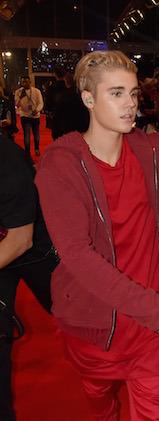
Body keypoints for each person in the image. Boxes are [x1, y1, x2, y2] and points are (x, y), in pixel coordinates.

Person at [34, 51, 159, 420]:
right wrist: (154, 311)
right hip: (95, 323)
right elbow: (77, 254)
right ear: (88, 98)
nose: (130, 105)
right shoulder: (61, 165)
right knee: (99, 400)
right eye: (117, 93)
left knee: (157, 411)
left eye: (134, 93)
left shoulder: (153, 150)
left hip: (152, 328)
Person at [0, 133, 56, 421]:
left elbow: (20, 240)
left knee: (79, 315)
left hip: (35, 249)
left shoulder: (7, 159)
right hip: (3, 254)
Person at [14, 76, 44, 159]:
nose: (25, 84)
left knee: (36, 134)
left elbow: (41, 103)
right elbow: (16, 105)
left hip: (35, 116)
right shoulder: (18, 92)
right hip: (25, 115)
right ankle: (27, 151)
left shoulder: (36, 91)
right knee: (26, 134)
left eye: (26, 82)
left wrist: (37, 110)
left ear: (30, 82)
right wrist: (20, 97)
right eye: (23, 82)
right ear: (21, 82)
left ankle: (37, 148)